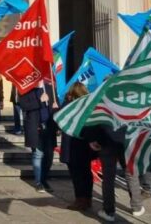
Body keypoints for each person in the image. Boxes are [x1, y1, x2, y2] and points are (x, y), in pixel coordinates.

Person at [85, 125, 144, 222]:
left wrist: (92, 139)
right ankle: (137, 207)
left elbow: (95, 120)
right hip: (128, 139)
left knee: (108, 177)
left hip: (106, 139)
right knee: (131, 172)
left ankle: (108, 211)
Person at [59, 83, 95, 211]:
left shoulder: (70, 106)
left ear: (72, 93)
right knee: (86, 173)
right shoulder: (89, 105)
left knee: (77, 175)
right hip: (85, 146)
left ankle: (80, 199)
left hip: (72, 146)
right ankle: (87, 198)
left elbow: (59, 119)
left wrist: (66, 101)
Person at [17, 81, 55, 193]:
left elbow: (55, 105)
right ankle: (39, 182)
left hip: (49, 127)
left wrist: (56, 107)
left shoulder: (49, 87)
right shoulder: (26, 89)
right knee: (38, 154)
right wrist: (39, 101)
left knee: (49, 156)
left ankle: (44, 179)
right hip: (35, 127)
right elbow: (24, 105)